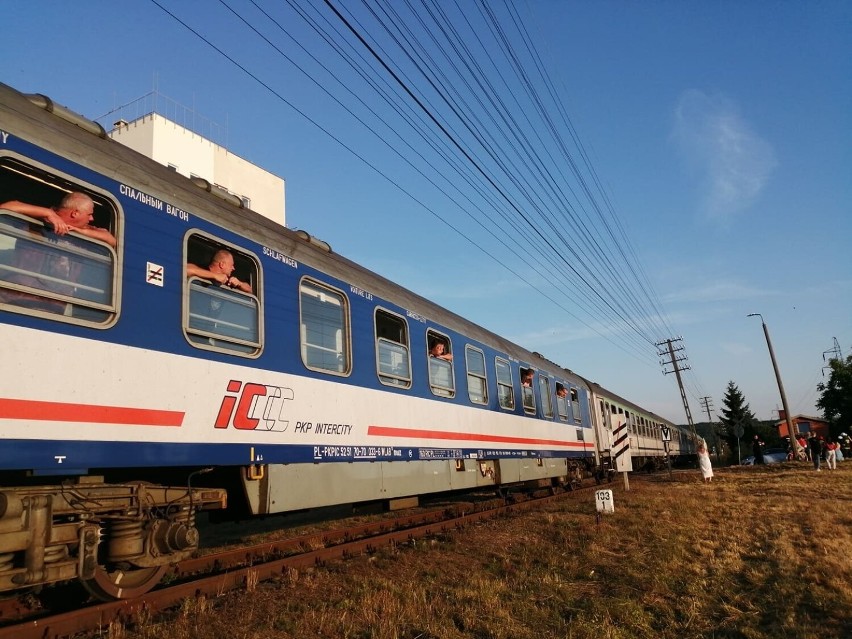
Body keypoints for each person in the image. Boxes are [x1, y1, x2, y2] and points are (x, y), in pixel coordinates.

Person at [1, 192, 116, 247]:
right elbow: (7, 207)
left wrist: (80, 232)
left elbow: (111, 240)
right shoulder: (43, 216)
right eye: (89, 214)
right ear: (75, 213)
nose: (92, 218)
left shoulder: (83, 228)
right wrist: (47, 213)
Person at [187, 249, 252, 293]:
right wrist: (215, 276)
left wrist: (239, 283)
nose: (233, 268)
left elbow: (250, 290)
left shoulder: (227, 280)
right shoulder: (203, 269)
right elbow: (186, 269)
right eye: (231, 265)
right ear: (222, 265)